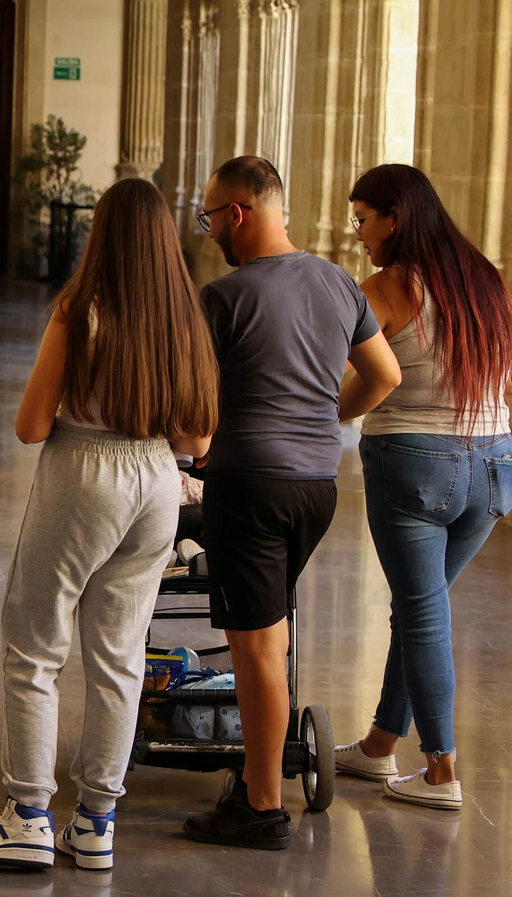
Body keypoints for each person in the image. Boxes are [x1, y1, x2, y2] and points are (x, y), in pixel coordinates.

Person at [0, 177, 218, 871]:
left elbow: (31, 426)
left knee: (34, 642)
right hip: (157, 481)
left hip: (83, 471)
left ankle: (29, 814)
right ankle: (96, 823)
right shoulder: (183, 318)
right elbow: (197, 438)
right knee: (120, 657)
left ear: (102, 233)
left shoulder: (80, 307)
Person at [181, 157, 401, 850]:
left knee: (257, 652)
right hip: (317, 486)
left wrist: (188, 450)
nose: (210, 228)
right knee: (270, 638)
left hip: (249, 487)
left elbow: (195, 414)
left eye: (210, 216)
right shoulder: (340, 282)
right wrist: (324, 419)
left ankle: (261, 804)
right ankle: (255, 780)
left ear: (237, 215)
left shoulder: (225, 296)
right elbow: (385, 374)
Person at [330, 165, 512, 811]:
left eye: (362, 219)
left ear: (394, 218)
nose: (358, 234)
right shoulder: (486, 280)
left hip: (414, 462)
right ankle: (380, 745)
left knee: (423, 612)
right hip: (494, 468)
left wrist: (335, 412)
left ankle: (440, 769)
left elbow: (356, 376)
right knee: (420, 606)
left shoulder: (384, 287)